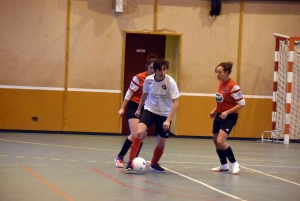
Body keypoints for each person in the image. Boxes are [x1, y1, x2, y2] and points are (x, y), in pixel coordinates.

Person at [125, 58, 180, 172]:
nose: (162, 72)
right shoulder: (148, 80)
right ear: (154, 70)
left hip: (164, 114)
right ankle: (131, 162)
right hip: (150, 110)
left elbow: (176, 102)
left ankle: (154, 164)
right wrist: (139, 109)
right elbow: (144, 95)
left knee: (161, 143)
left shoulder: (170, 82)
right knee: (139, 132)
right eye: (160, 70)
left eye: (164, 69)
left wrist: (168, 120)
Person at [115, 54, 157, 168]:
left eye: (155, 67)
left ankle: (133, 160)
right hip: (134, 106)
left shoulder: (157, 80)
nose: (153, 70)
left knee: (142, 135)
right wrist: (122, 108)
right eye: (151, 67)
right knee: (135, 134)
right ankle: (120, 157)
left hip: (147, 108)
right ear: (147, 67)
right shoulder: (139, 77)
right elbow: (129, 93)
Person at [208, 61, 245, 175]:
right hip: (219, 115)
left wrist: (227, 112)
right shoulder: (221, 83)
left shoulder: (233, 86)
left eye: (219, 72)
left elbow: (241, 103)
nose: (217, 74)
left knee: (221, 141)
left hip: (230, 116)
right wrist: (215, 111)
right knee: (215, 140)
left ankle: (234, 163)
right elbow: (222, 101)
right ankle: (224, 165)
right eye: (216, 72)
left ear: (227, 72)